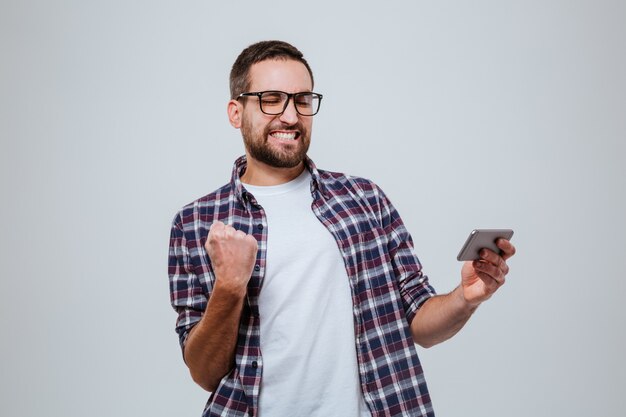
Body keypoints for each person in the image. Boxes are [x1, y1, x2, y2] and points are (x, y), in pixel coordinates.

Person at [168, 40, 516, 417]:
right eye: (271, 99)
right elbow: (204, 372)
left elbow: (419, 323)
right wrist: (231, 286)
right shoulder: (197, 223)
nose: (290, 116)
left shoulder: (364, 199)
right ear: (236, 112)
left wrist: (465, 297)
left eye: (302, 100)